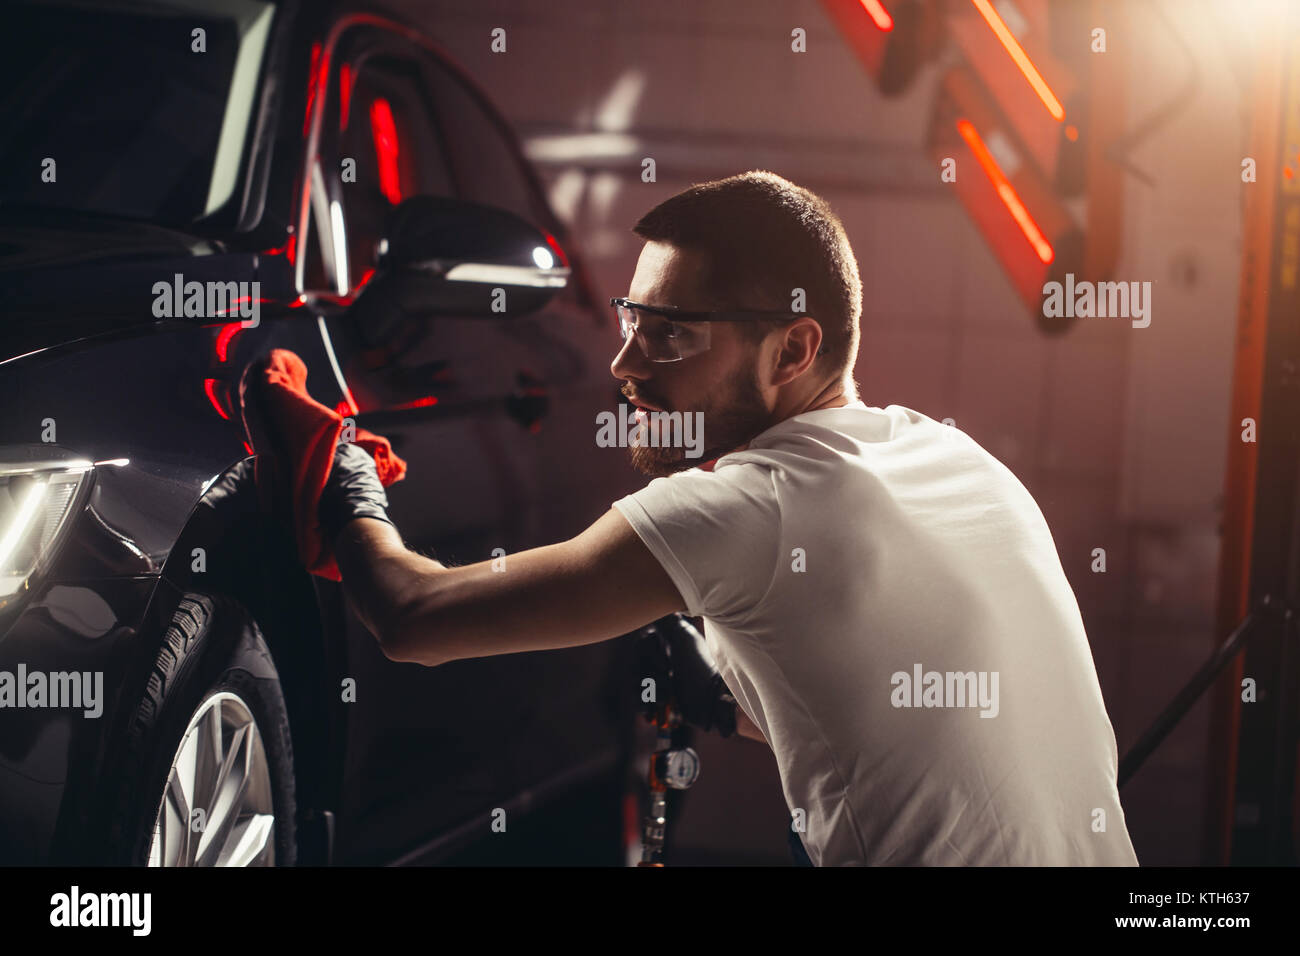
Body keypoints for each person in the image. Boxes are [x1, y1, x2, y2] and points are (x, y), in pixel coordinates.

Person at [305, 170, 1138, 866]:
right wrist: (725, 690)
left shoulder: (746, 508)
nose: (624, 363)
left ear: (793, 351)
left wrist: (342, 476)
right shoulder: (960, 462)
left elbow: (415, 618)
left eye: (670, 336)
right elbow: (896, 728)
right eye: (634, 321)